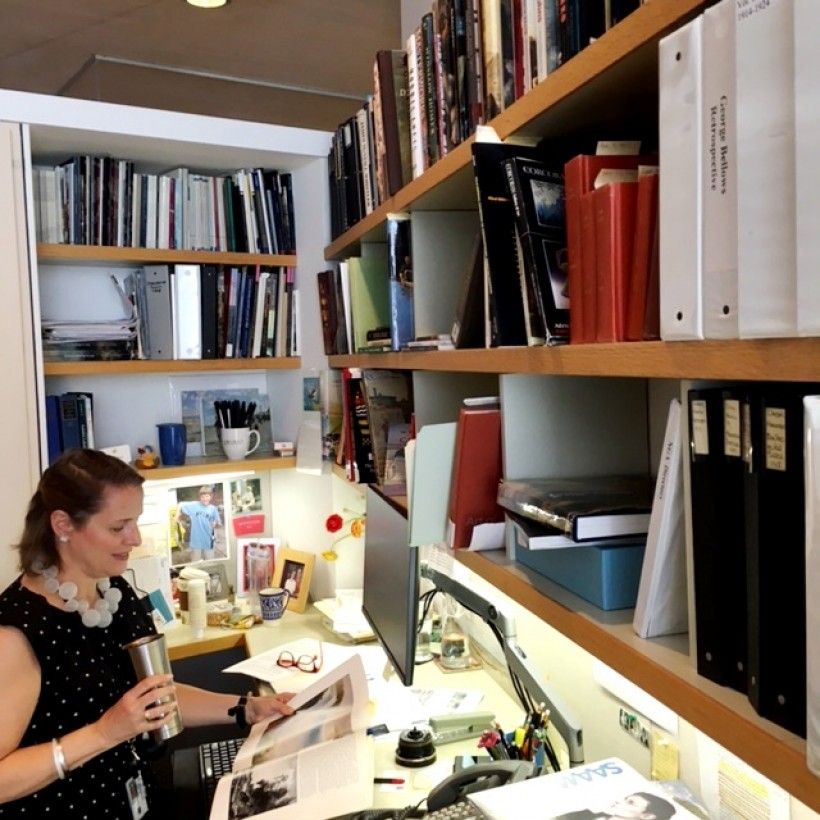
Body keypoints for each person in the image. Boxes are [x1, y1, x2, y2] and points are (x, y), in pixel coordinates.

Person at [0, 449, 295, 819]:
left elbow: (154, 699)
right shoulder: (16, 633)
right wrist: (105, 733)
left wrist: (245, 708)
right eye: (117, 527)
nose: (134, 538)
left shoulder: (114, 592)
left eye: (135, 522)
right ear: (63, 525)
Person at [552, 791, 677, 820]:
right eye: (625, 799)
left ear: (647, 815)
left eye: (630, 802)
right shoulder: (587, 814)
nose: (618, 801)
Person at [175, 485, 221, 561]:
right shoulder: (194, 505)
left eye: (207, 496)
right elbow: (180, 504)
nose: (205, 499)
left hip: (209, 540)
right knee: (195, 562)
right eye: (203, 497)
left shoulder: (213, 508)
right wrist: (177, 515)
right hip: (196, 540)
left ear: (211, 496)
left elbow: (218, 523)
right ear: (200, 497)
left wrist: (215, 523)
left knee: (210, 561)